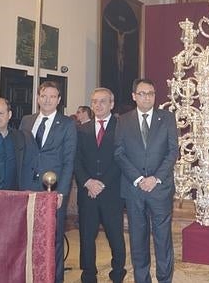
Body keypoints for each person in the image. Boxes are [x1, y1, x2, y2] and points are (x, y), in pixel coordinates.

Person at [114, 78, 178, 283]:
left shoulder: (167, 118)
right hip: (134, 190)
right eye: (142, 93)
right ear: (134, 96)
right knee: (138, 239)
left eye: (150, 93)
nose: (146, 97)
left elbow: (172, 152)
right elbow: (119, 153)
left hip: (160, 189)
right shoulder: (123, 121)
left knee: (163, 239)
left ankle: (164, 279)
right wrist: (140, 178)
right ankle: (142, 279)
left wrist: (155, 178)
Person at [19, 81, 77, 283]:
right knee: (28, 236)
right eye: (44, 96)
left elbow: (69, 160)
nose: (47, 100)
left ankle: (55, 279)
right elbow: (21, 154)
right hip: (27, 187)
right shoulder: (26, 120)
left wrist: (62, 192)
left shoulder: (68, 124)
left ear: (59, 100)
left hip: (53, 190)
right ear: (37, 97)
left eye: (53, 97)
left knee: (53, 238)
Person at [75, 88, 126, 282]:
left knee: (115, 237)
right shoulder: (82, 129)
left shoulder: (122, 126)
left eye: (103, 101)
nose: (98, 105)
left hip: (111, 192)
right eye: (95, 101)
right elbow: (76, 159)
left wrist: (102, 183)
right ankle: (88, 275)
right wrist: (88, 182)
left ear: (111, 104)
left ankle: (118, 273)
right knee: (87, 237)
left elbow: (121, 159)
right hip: (87, 192)